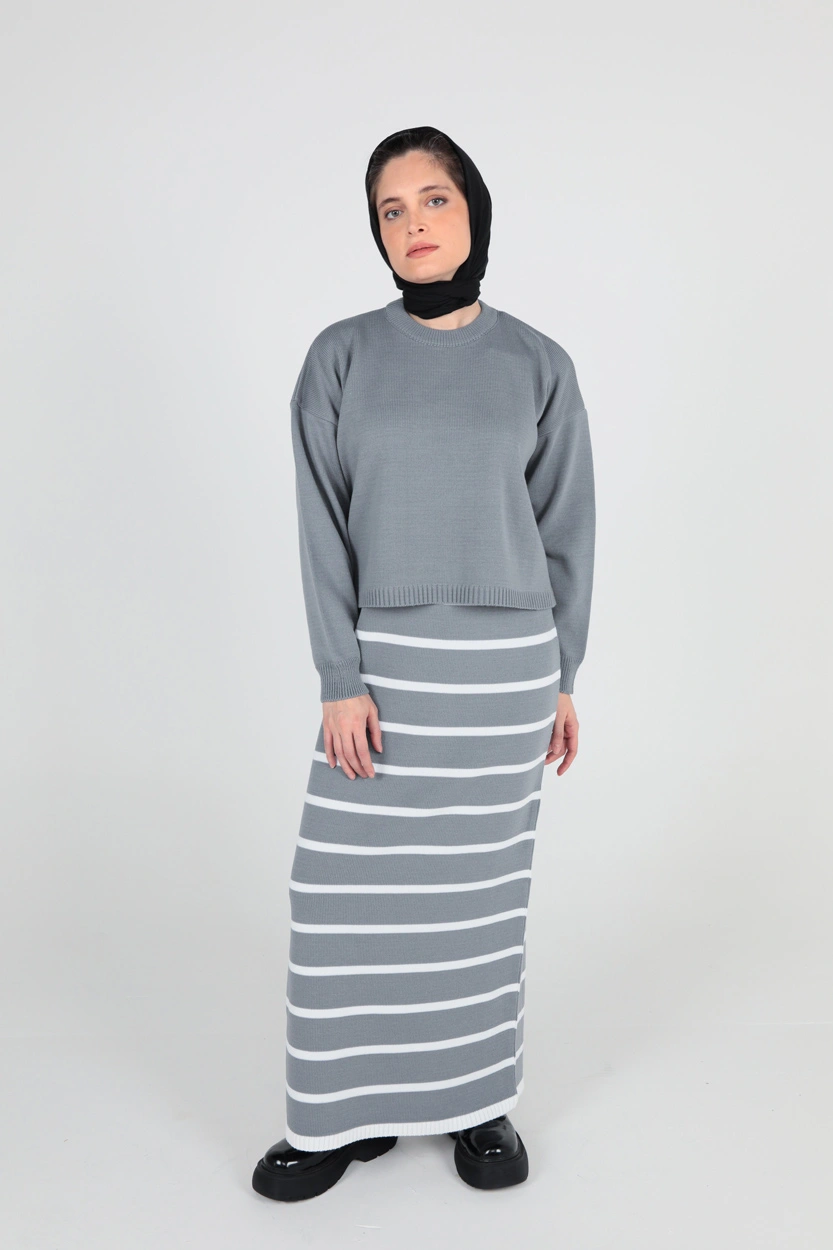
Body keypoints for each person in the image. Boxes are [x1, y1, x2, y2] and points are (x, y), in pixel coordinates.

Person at [252, 125, 596, 1202]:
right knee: (337, 895)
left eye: (433, 199)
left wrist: (564, 676)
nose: (413, 224)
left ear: (472, 210)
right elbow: (320, 526)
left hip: (503, 673)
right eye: (391, 209)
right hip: (384, 673)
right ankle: (336, 1114)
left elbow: (566, 530)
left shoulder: (537, 363)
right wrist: (338, 676)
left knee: (478, 899)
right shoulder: (340, 356)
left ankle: (473, 1101)